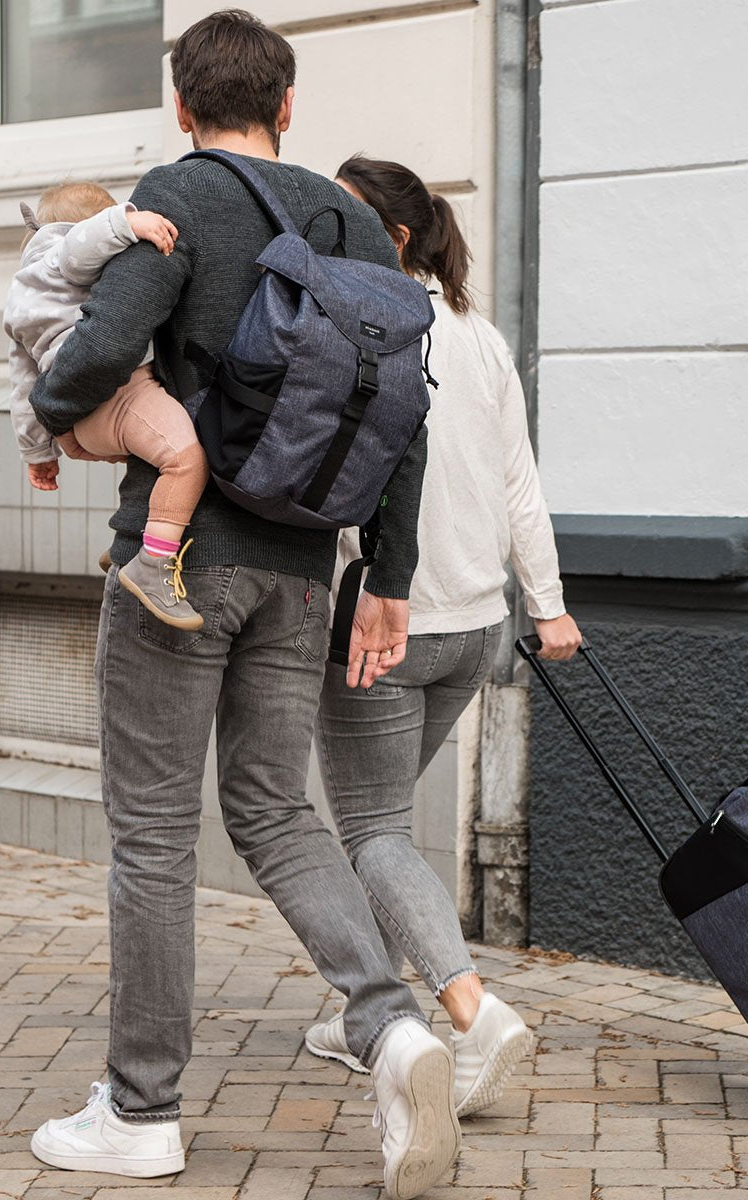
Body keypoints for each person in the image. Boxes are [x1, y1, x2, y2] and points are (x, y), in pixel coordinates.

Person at [24, 14, 460, 1200]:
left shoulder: (179, 192)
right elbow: (409, 410)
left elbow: (102, 342)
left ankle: (142, 1110)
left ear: (182, 105)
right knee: (279, 814)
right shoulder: (357, 220)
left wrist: (50, 408)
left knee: (154, 838)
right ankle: (393, 1030)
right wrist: (388, 580)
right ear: (289, 101)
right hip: (304, 568)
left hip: (180, 563)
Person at [305, 156, 583, 1118]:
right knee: (378, 827)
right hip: (481, 628)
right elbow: (520, 486)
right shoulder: (481, 335)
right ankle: (361, 1016)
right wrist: (547, 606)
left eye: (338, 214)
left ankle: (470, 1011)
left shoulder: (361, 327)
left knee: (373, 830)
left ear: (388, 235)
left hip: (390, 622)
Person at [4, 183, 209, 630]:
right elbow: (82, 246)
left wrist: (37, 453)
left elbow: (22, 385)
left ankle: (133, 539)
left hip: (76, 425)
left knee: (153, 460)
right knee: (187, 461)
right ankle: (151, 565)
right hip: (117, 394)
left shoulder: (24, 289)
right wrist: (130, 222)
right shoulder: (64, 253)